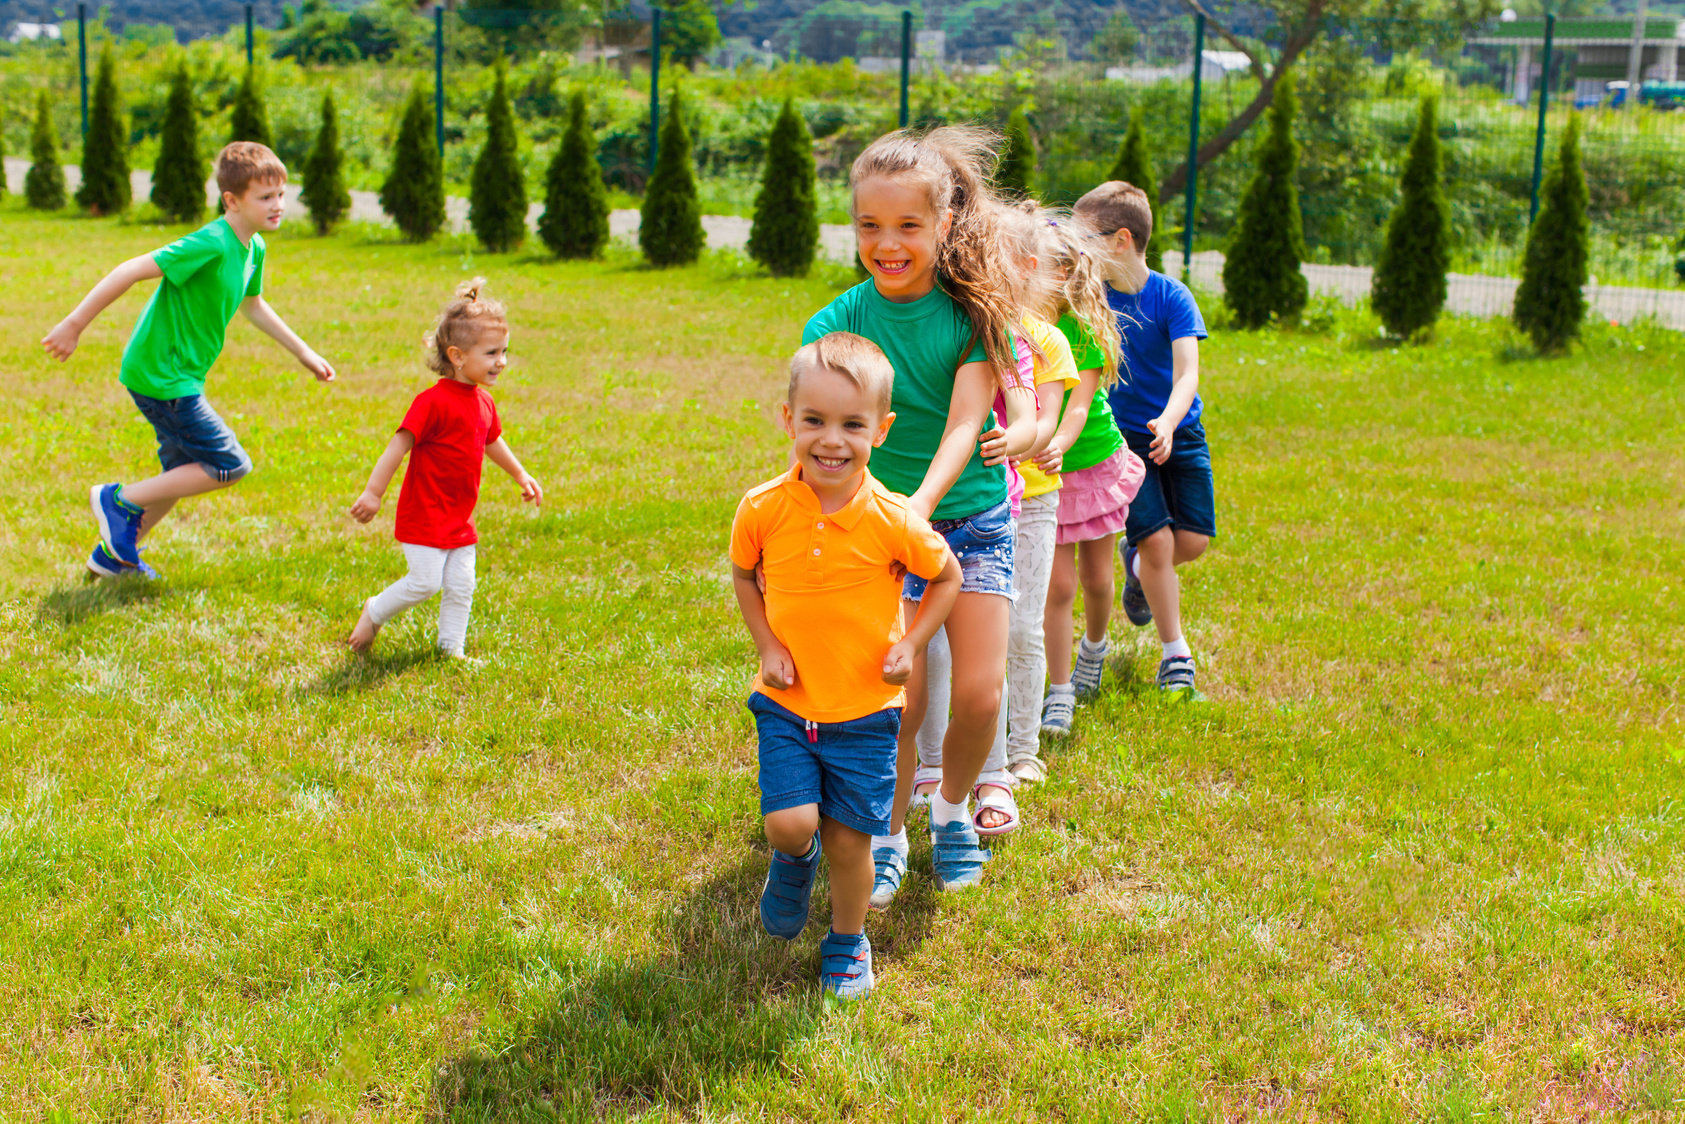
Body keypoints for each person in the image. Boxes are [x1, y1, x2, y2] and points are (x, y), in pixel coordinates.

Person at [802, 126, 1028, 906]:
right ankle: (891, 832)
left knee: (978, 696)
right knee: (898, 706)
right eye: (869, 225)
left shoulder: (970, 318)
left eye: (906, 226)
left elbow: (967, 421)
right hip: (877, 542)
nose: (886, 243)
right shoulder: (833, 326)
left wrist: (920, 511)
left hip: (969, 525)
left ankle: (953, 809)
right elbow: (818, 440)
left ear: (942, 226)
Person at [731, 333, 959, 1001]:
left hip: (864, 712)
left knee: (849, 842)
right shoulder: (762, 508)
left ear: (881, 430)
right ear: (787, 419)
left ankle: (846, 940)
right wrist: (767, 645)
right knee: (791, 822)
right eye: (814, 421)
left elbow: (945, 578)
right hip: (788, 703)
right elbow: (745, 577)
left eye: (852, 425)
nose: (831, 440)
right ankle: (791, 860)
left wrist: (911, 644)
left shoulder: (893, 518)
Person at [42, 142, 336, 580]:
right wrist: (74, 323)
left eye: (281, 195)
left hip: (179, 375)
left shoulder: (252, 247)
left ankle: (113, 556)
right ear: (231, 201)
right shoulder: (213, 241)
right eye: (265, 197)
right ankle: (117, 500)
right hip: (163, 375)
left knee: (181, 472)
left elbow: (253, 305)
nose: (278, 206)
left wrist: (303, 351)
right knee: (228, 464)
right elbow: (131, 268)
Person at [915, 203, 1077, 823]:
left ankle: (1009, 759)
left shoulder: (1028, 337)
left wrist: (1024, 439)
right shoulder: (951, 324)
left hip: (1013, 504)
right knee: (935, 646)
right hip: (950, 505)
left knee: (1008, 637)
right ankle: (934, 767)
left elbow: (1037, 417)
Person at [347, 280, 541, 657]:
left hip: (459, 514)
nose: (501, 361)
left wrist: (520, 474)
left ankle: (451, 650)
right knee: (424, 583)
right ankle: (374, 611)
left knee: (462, 584)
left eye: (505, 351)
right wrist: (373, 493)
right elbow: (398, 445)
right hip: (425, 511)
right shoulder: (432, 402)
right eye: (491, 353)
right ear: (457, 355)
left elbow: (492, 441)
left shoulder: (483, 402)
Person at [1073, 181, 1213, 695]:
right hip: (1123, 440)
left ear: (1121, 240)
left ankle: (1137, 571)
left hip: (1180, 428)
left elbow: (1187, 374)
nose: (1077, 252)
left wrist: (1170, 422)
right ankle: (1177, 655)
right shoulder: (1093, 300)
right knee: (1158, 540)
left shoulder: (1173, 297)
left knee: (1190, 543)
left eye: (1085, 240)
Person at [1038, 213, 1145, 738]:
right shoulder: (1019, 323)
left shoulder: (1085, 330)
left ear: (1065, 272)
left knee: (1097, 581)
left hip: (1090, 464)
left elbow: (1078, 408)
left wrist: (1056, 443)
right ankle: (1059, 692)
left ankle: (1095, 648)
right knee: (1056, 587)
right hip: (1045, 471)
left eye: (1037, 263)